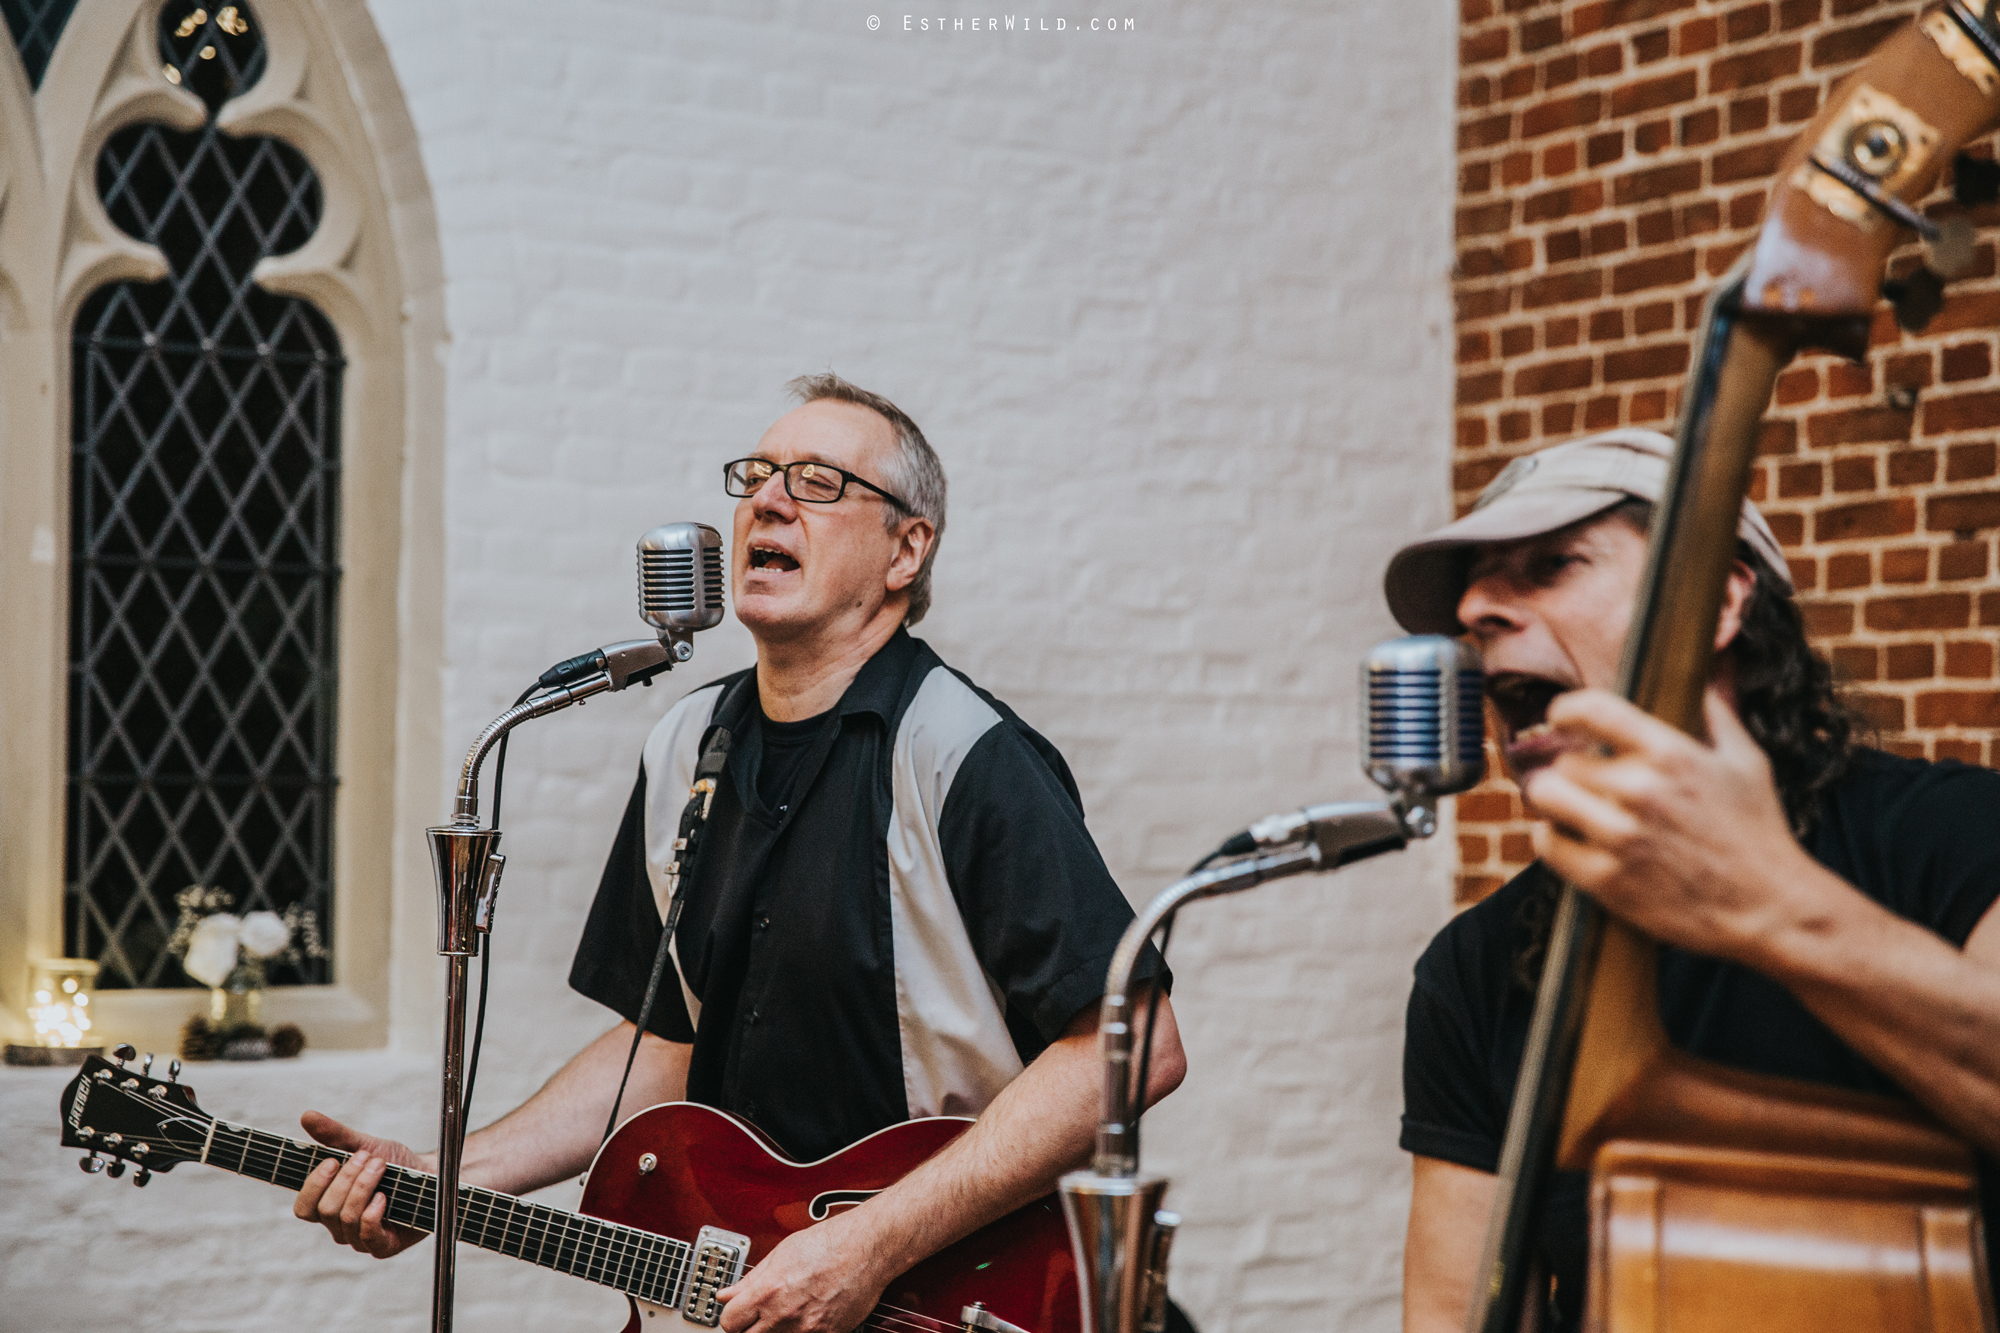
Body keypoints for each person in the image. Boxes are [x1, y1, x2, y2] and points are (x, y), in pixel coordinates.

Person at [292, 373, 1185, 1333]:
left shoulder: (960, 751)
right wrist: (447, 1179)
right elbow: (673, 1044)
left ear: (906, 549)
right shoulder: (685, 745)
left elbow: (1135, 1050)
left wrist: (868, 1244)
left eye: (818, 481)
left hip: (950, 1294)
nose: (765, 498)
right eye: (756, 474)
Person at [1384, 428, 2000, 1333]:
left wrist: (1772, 906)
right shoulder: (1474, 969)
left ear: (1717, 602)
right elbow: (1455, 1316)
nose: (1476, 607)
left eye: (1552, 564)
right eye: (1476, 585)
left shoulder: (1951, 836)